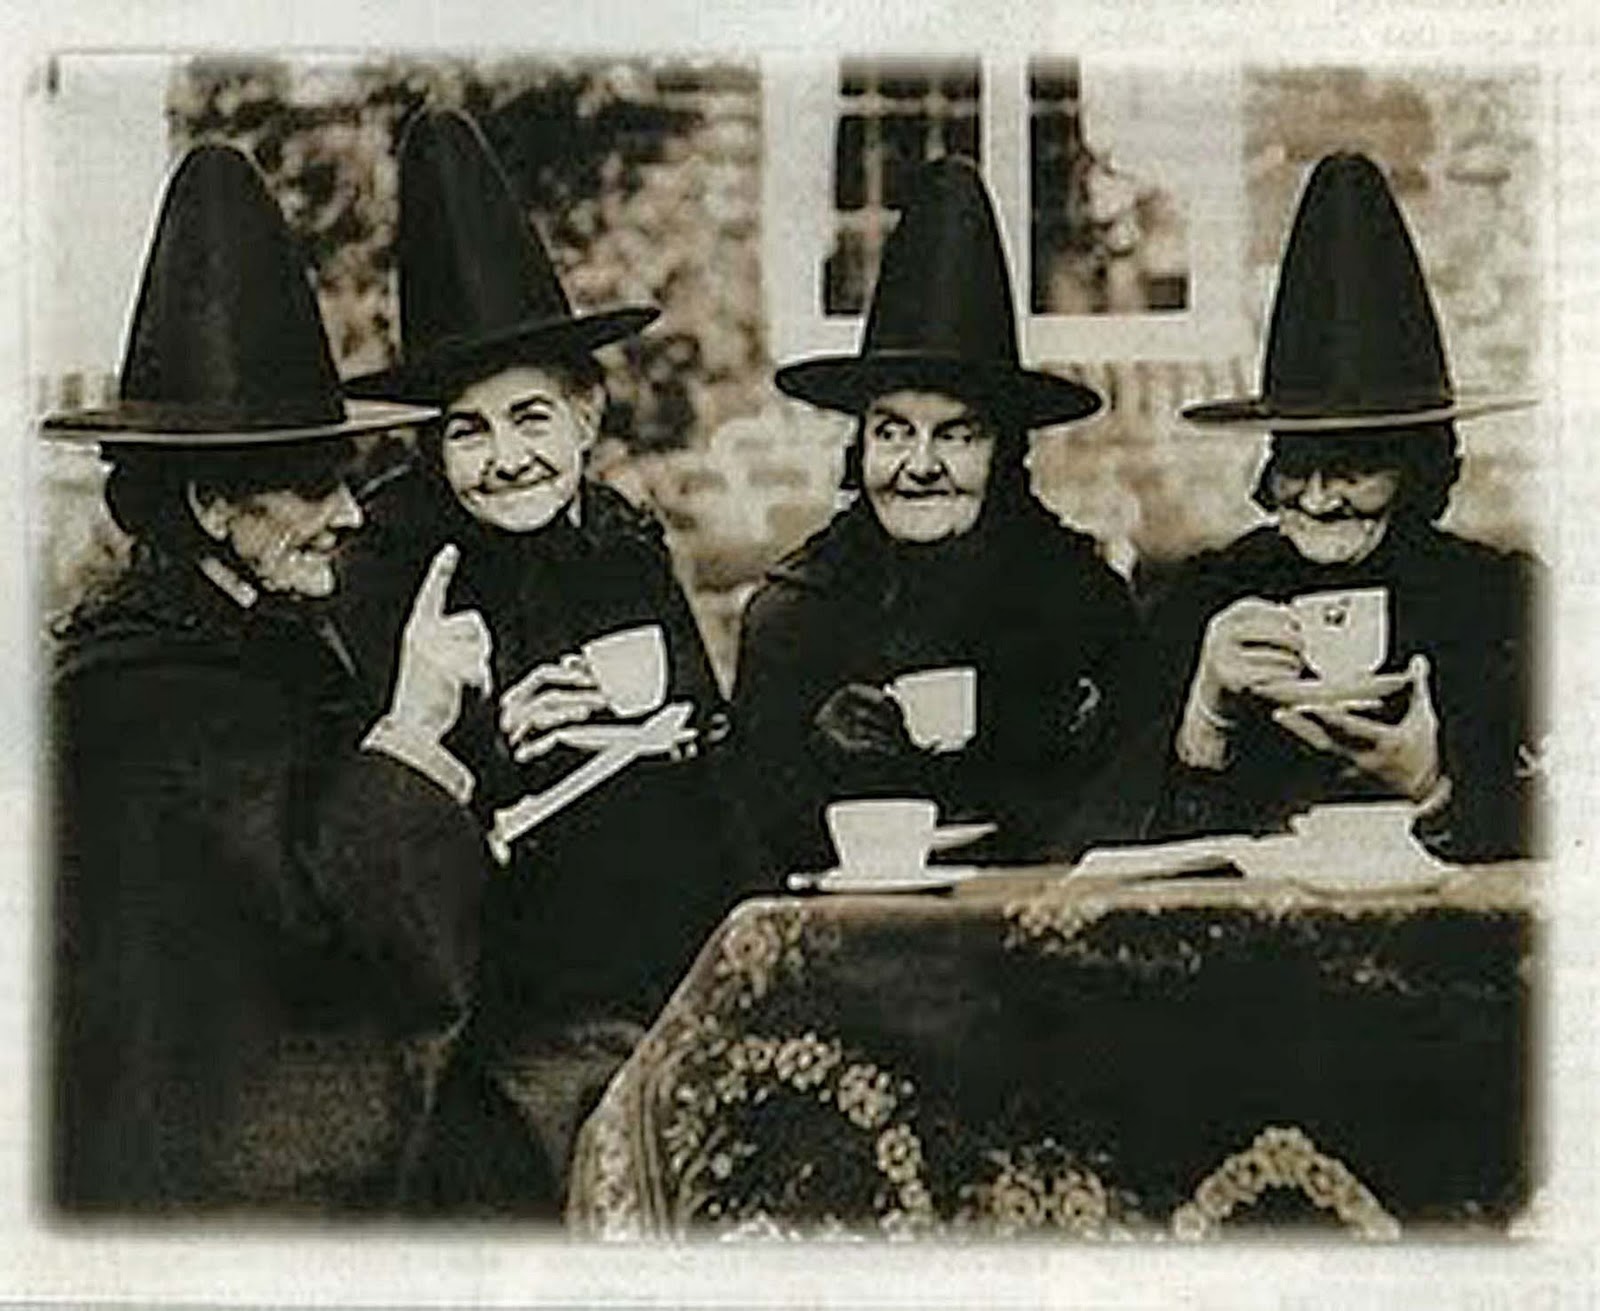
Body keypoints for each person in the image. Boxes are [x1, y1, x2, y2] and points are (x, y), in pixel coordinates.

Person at [45, 145, 496, 1210]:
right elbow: (313, 915)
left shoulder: (258, 637)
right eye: (313, 485)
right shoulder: (137, 696)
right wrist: (412, 729)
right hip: (193, 1179)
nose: (349, 513)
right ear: (211, 505)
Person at [337, 109, 752, 1211]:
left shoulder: (620, 541)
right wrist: (486, 742)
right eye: (466, 430)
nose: (506, 457)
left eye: (530, 417)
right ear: (431, 446)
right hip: (488, 1021)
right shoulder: (384, 566)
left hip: (656, 978)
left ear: (585, 414)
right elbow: (372, 852)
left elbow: (700, 748)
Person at [733, 157, 1138, 874]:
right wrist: (811, 760)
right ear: (860, 447)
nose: (919, 465)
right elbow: (746, 851)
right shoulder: (792, 617)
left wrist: (1046, 737)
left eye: (956, 434)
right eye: (892, 431)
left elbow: (1130, 817)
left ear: (1004, 454)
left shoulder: (1081, 600)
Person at [1140, 152, 1544, 861]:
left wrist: (1433, 788)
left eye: (1355, 465)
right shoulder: (1208, 599)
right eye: (1297, 462)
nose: (1320, 498)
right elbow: (1112, 851)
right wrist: (1205, 720)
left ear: (1415, 467)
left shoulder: (1504, 603)